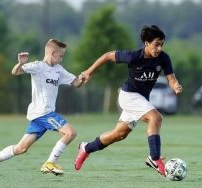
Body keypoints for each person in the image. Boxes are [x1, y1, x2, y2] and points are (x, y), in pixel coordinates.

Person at [74, 25, 182, 176]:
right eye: (156, 44)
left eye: (161, 44)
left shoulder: (164, 58)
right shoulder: (133, 57)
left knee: (119, 134)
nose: (159, 48)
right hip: (128, 96)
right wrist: (88, 72)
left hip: (140, 99)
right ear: (146, 43)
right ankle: (154, 158)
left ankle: (86, 148)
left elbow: (171, 78)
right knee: (155, 117)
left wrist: (175, 85)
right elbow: (107, 56)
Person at [0, 39, 84, 176]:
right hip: (43, 113)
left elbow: (76, 83)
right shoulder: (38, 66)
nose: (61, 59)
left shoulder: (59, 70)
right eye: (61, 56)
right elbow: (15, 72)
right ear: (53, 53)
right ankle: (49, 163)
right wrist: (21, 64)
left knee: (21, 148)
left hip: (40, 115)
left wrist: (84, 77)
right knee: (70, 133)